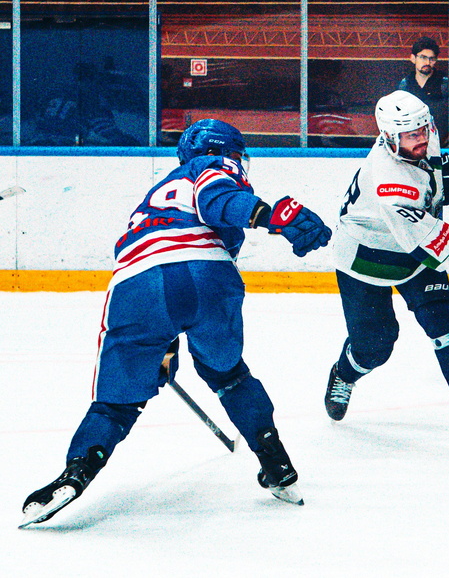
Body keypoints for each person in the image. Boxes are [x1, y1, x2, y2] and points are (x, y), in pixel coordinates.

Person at [19, 119, 332, 528]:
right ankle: (275, 462)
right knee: (230, 376)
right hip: (209, 277)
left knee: (117, 401)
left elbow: (161, 268)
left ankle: (77, 471)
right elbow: (218, 200)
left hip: (137, 286)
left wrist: (164, 342)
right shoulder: (212, 164)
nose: (239, 161)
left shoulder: (151, 202)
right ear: (221, 150)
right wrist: (270, 215)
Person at [323, 90, 449, 433]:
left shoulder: (422, 135)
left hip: (414, 253)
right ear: (388, 136)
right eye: (411, 135)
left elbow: (429, 176)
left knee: (444, 322)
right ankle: (344, 373)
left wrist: (444, 178)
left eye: (422, 130)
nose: (421, 139)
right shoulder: (390, 182)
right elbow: (424, 237)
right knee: (375, 345)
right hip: (367, 256)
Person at [397, 36, 449, 147]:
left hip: (442, 146)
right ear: (413, 58)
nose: (427, 62)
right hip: (412, 146)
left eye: (432, 59)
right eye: (423, 57)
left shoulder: (446, 84)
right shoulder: (405, 85)